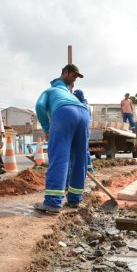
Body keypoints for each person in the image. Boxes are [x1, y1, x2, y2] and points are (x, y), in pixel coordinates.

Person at [34, 64, 90, 214]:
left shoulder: (50, 91)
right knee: (79, 158)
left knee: (60, 157)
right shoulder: (70, 95)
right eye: (73, 76)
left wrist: (46, 128)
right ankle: (74, 199)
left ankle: (52, 203)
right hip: (84, 114)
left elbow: (39, 106)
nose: (74, 81)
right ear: (64, 73)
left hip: (65, 113)